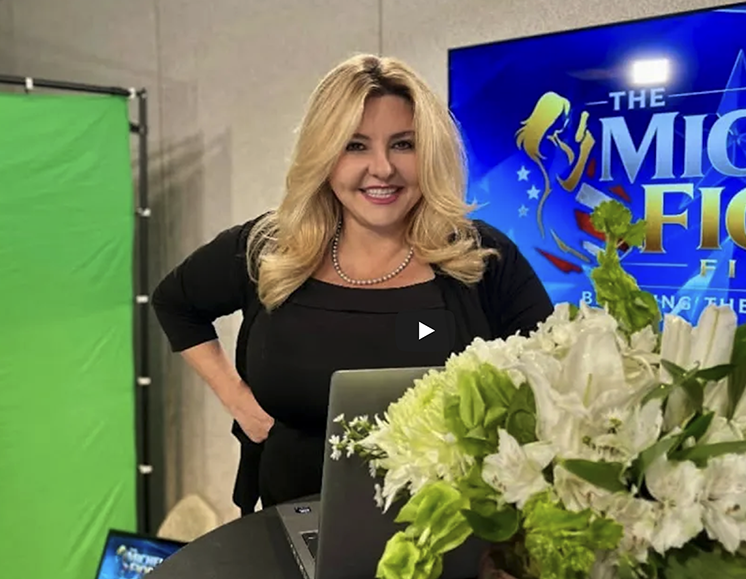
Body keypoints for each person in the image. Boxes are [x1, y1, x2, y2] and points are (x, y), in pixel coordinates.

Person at [151, 54, 554, 515]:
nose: (382, 168)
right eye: (355, 146)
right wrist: (237, 399)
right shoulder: (269, 250)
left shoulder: (481, 258)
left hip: (449, 534)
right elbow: (175, 303)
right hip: (291, 529)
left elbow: (551, 379)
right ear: (324, 155)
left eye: (404, 144)